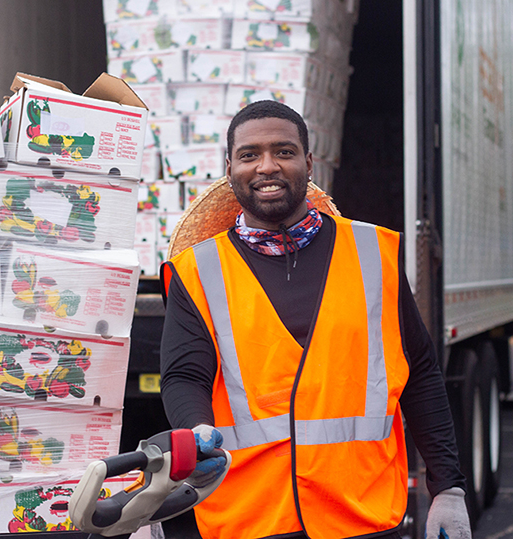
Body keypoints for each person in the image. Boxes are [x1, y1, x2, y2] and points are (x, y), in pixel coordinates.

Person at [158, 100, 470, 539]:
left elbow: (419, 371)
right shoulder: (196, 273)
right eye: (249, 155)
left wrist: (448, 488)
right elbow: (184, 375)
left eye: (283, 152)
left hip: (362, 515)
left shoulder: (373, 254)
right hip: (251, 518)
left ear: (308, 162)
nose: (267, 166)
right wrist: (196, 432)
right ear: (229, 168)